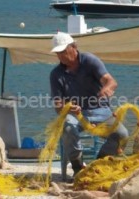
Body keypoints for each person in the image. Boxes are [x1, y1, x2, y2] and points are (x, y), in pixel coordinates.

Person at [49, 32, 129, 177]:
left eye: (63, 51)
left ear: (74, 47)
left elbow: (111, 81)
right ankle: (78, 168)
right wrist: (67, 108)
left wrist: (107, 88)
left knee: (122, 135)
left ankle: (98, 165)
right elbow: (58, 105)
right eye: (58, 53)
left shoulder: (90, 60)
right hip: (75, 115)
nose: (61, 56)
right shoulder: (56, 74)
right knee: (67, 127)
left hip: (101, 111)